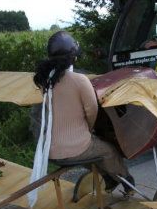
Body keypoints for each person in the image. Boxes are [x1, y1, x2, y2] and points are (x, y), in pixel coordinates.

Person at [31, 31, 131, 197]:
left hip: (50, 150)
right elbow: (92, 111)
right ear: (72, 57)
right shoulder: (80, 80)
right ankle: (128, 182)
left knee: (92, 150)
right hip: (73, 149)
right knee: (108, 150)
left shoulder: (46, 81)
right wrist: (89, 129)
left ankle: (109, 179)